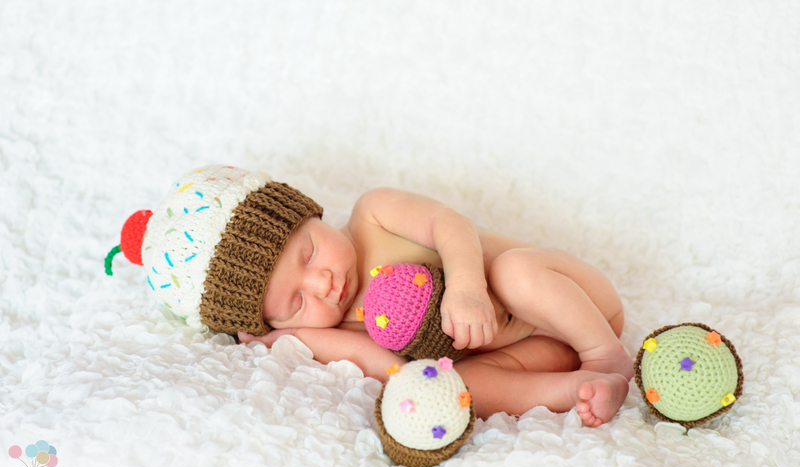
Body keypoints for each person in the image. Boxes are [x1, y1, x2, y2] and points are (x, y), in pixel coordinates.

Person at [122, 165, 632, 426]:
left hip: (576, 304)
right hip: (538, 352)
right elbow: (389, 367)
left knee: (514, 272)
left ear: (309, 213)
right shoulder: (334, 325)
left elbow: (450, 223)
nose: (322, 283)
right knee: (459, 388)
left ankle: (605, 355)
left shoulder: (374, 215)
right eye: (297, 303)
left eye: (308, 253)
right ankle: (579, 388)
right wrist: (290, 339)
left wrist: (467, 287)